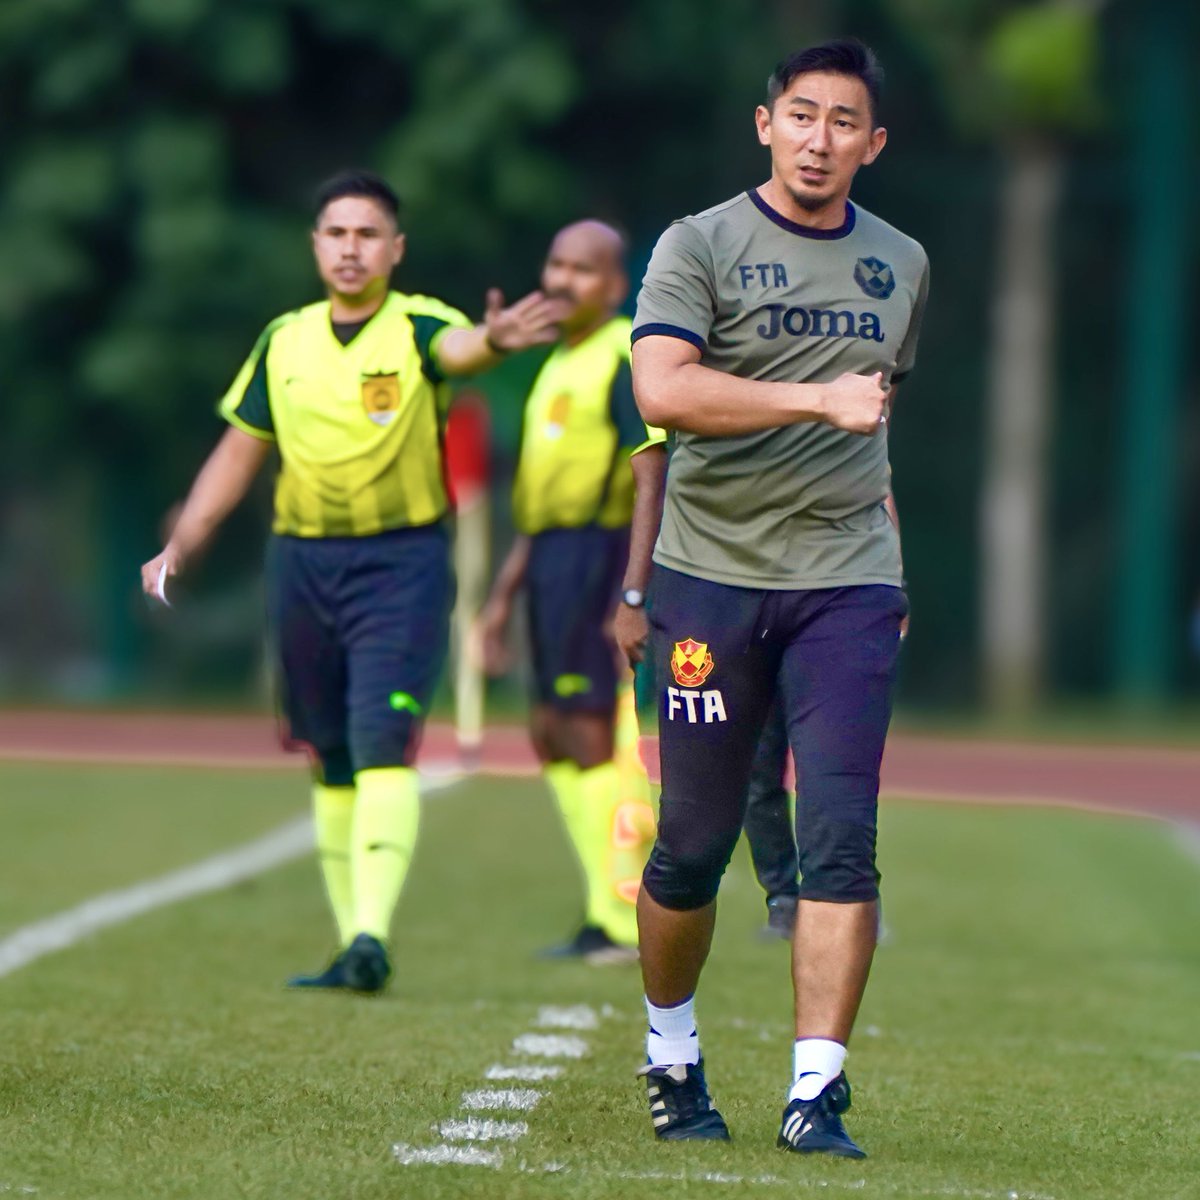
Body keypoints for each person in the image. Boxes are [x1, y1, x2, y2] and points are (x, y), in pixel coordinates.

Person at [140, 169, 567, 993]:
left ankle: (372, 933)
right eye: (336, 233)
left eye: (367, 235)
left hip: (400, 564)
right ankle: (350, 944)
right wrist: (184, 542)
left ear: (395, 250)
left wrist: (502, 337)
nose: (350, 249)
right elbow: (239, 449)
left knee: (380, 742)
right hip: (300, 562)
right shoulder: (284, 341)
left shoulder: (416, 328)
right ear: (315, 245)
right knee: (328, 749)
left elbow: (462, 348)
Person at [628, 39, 928, 1157]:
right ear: (767, 125)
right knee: (692, 847)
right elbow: (663, 388)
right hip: (709, 580)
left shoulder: (902, 262)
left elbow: (878, 419)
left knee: (841, 837)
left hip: (848, 582)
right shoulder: (697, 243)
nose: (819, 139)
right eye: (801, 115)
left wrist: (892, 563)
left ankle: (818, 1091)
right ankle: (671, 1052)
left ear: (874, 143)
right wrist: (813, 401)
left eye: (843, 122)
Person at [479, 220, 661, 965]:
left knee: (593, 732)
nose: (560, 281)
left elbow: (651, 472)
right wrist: (500, 598)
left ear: (615, 286)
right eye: (554, 264)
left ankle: (623, 918)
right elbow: (538, 504)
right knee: (551, 732)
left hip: (601, 556)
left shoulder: (622, 356)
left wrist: (634, 590)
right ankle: (599, 910)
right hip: (551, 559)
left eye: (581, 270)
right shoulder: (557, 362)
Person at [615, 445, 800, 941]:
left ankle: (839, 895)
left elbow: (874, 481)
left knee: (829, 769)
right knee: (750, 772)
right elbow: (654, 484)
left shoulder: (818, 411)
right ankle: (785, 897)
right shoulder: (696, 415)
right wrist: (636, 596)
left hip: (814, 597)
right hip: (722, 601)